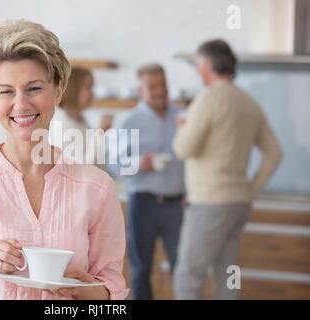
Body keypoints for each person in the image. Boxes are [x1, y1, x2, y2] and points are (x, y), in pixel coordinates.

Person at [0, 19, 129, 300]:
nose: (21, 104)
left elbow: (112, 293)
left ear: (58, 91)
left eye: (34, 88)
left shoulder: (98, 188)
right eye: (6, 91)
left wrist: (83, 288)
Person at [172, 39, 282, 300]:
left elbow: (184, 149)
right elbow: (274, 152)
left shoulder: (208, 99)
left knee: (188, 275)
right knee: (227, 277)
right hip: (237, 204)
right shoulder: (249, 103)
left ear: (209, 64)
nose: (198, 71)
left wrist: (182, 128)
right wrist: (250, 189)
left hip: (209, 203)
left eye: (198, 65)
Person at [109, 63, 185, 300]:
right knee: (141, 271)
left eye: (163, 84)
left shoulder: (181, 118)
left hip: (176, 205)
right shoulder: (129, 121)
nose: (160, 91)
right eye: (153, 87)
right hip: (143, 205)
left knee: (182, 270)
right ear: (140, 90)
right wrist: (142, 163)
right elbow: (116, 165)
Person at [49, 67, 112, 169]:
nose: (92, 93)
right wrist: (100, 131)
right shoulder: (62, 125)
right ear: (73, 90)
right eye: (88, 87)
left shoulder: (81, 120)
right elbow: (82, 167)